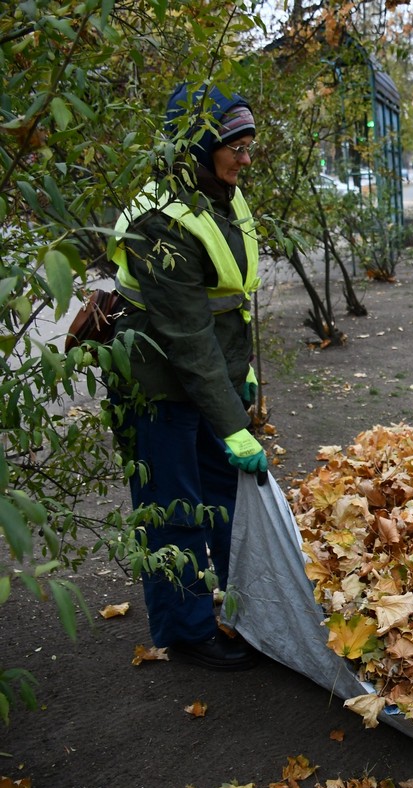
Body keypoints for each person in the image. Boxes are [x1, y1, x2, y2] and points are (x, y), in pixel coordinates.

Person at [109, 83, 268, 671]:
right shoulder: (159, 222)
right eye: (236, 147)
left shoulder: (221, 194)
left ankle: (241, 609)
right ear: (200, 144)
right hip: (158, 384)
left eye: (250, 146)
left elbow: (228, 303)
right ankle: (186, 630)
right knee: (172, 508)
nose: (245, 160)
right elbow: (185, 336)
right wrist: (233, 423)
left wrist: (242, 375)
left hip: (207, 376)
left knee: (222, 496)